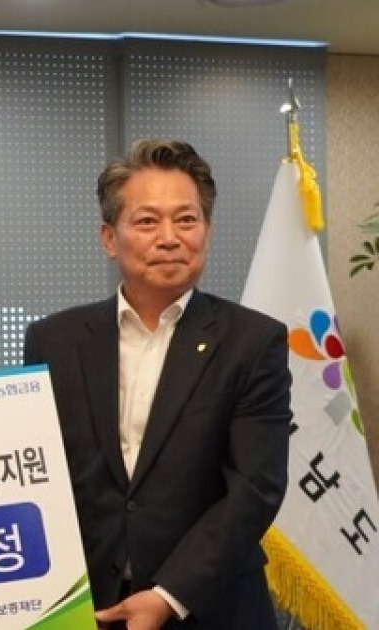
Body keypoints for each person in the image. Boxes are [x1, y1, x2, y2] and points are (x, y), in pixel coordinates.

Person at [23, 139, 291, 630]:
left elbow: (256, 488)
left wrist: (169, 595)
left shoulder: (254, 342)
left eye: (186, 220)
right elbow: (39, 477)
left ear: (207, 230)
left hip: (213, 608)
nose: (169, 238)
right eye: (147, 221)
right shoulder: (53, 341)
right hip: (88, 608)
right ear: (109, 238)